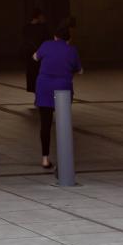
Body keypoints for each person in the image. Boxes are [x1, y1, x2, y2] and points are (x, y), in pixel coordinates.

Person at [33, 22, 82, 170]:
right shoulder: (71, 50)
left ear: (55, 36)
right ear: (69, 39)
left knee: (45, 125)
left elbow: (35, 57)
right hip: (63, 90)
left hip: (44, 88)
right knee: (63, 125)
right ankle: (64, 159)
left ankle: (45, 159)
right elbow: (79, 70)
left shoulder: (46, 45)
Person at [22, 9, 50, 94]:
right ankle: (40, 96)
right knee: (40, 75)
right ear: (38, 17)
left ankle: (38, 95)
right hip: (39, 54)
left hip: (30, 54)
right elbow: (47, 40)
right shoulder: (42, 28)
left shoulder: (26, 27)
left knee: (33, 75)